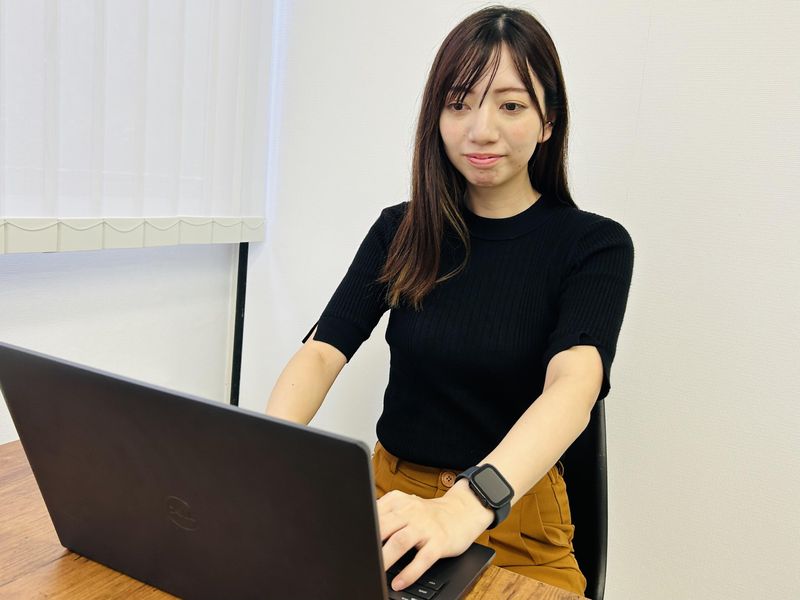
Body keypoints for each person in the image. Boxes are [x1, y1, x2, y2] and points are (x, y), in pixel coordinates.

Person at [266, 5, 633, 596]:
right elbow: (322, 351)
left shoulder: (594, 246)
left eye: (510, 106)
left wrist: (467, 504)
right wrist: (261, 454)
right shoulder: (400, 230)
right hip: (390, 503)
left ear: (548, 122)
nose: (480, 130)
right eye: (459, 103)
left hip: (515, 519)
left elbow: (574, 386)